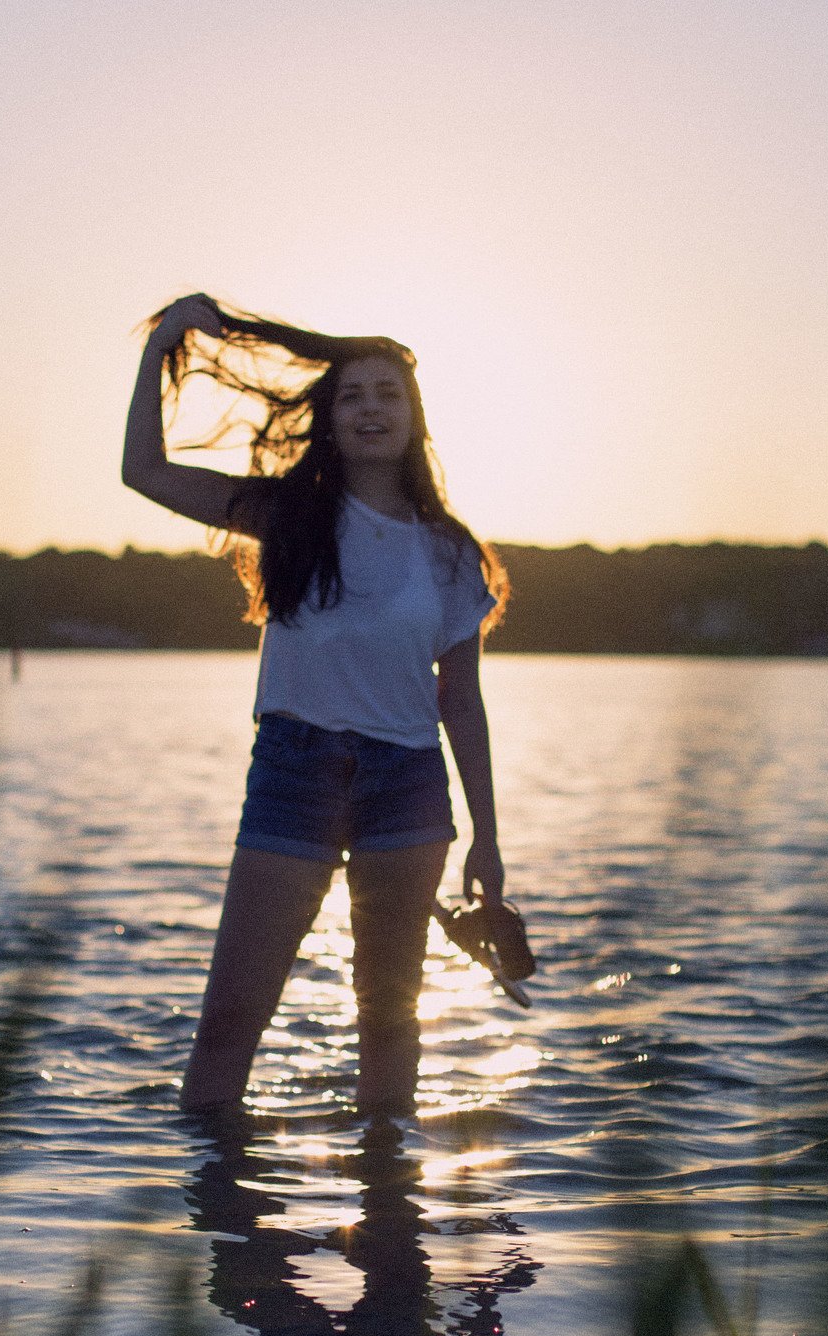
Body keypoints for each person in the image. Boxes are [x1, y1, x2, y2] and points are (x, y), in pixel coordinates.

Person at [121, 293, 509, 1112]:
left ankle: (389, 1220)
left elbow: (462, 705)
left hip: (405, 786)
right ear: (330, 419)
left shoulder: (449, 555)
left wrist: (488, 841)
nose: (371, 408)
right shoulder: (287, 516)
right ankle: (219, 1217)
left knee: (389, 1025)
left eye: (388, 394)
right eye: (353, 396)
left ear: (415, 418)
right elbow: (144, 472)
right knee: (230, 1021)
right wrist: (161, 344)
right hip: (294, 775)